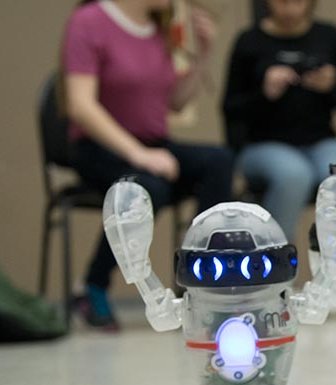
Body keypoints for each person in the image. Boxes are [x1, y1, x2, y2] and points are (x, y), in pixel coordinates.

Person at [62, 0, 235, 331]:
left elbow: (175, 100)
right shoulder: (88, 21)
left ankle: (198, 280)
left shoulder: (159, 29)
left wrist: (203, 53)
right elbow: (80, 105)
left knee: (219, 161)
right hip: (100, 148)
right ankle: (91, 287)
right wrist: (137, 154)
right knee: (144, 189)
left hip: (151, 144)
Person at [223, 0, 336, 244]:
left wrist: (330, 86)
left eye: (297, 2)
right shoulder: (249, 41)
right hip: (263, 144)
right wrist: (265, 94)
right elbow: (230, 108)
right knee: (293, 175)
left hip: (321, 141)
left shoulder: (329, 36)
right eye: (282, 2)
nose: (289, 10)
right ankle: (279, 265)